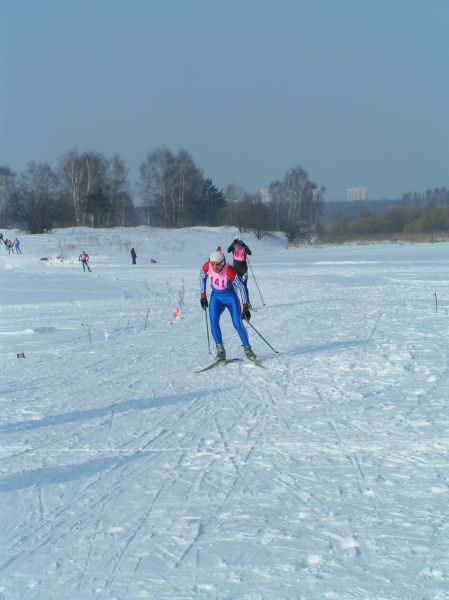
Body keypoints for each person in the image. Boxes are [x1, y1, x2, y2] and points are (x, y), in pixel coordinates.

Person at [200, 248, 256, 362]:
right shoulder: (207, 266)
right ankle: (220, 351)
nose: (215, 267)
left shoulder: (229, 270)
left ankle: (248, 349)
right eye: (213, 264)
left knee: (237, 323)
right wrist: (203, 296)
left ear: (223, 262)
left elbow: (241, 287)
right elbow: (202, 277)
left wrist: (245, 306)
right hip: (216, 297)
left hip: (230, 297)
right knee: (214, 320)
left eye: (218, 264)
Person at [227, 236, 252, 302]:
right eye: (237, 242)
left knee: (244, 286)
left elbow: (250, 253)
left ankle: (247, 302)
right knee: (235, 286)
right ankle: (236, 301)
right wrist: (233, 242)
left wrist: (244, 245)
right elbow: (228, 250)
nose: (238, 244)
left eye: (240, 242)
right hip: (235, 270)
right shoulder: (234, 247)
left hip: (244, 270)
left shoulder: (244, 247)